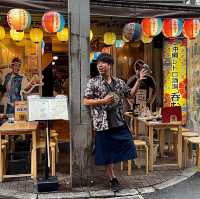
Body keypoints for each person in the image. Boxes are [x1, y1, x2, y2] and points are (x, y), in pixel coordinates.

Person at [83, 53, 149, 192]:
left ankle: (115, 170)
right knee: (107, 154)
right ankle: (112, 178)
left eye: (103, 62)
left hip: (119, 122)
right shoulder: (93, 82)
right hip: (102, 124)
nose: (100, 65)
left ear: (110, 65)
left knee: (128, 144)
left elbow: (130, 94)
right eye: (98, 63)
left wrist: (138, 80)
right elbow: (86, 101)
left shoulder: (119, 82)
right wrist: (103, 101)